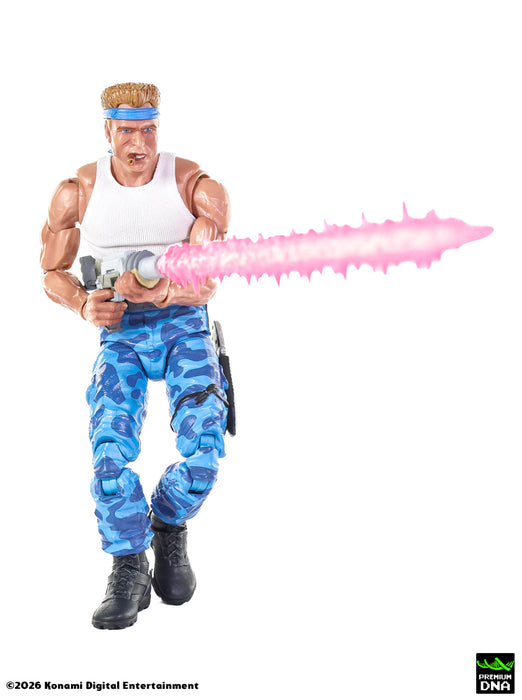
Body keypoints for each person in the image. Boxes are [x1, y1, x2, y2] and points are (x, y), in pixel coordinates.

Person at [40, 82, 231, 629]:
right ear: (108, 130)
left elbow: (209, 277)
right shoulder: (77, 192)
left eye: (148, 129)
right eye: (127, 130)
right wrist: (84, 304)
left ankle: (167, 524)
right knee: (107, 453)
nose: (139, 143)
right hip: (120, 330)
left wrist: (167, 291)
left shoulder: (196, 187)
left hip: (182, 324)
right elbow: (51, 272)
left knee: (204, 449)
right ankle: (128, 561)